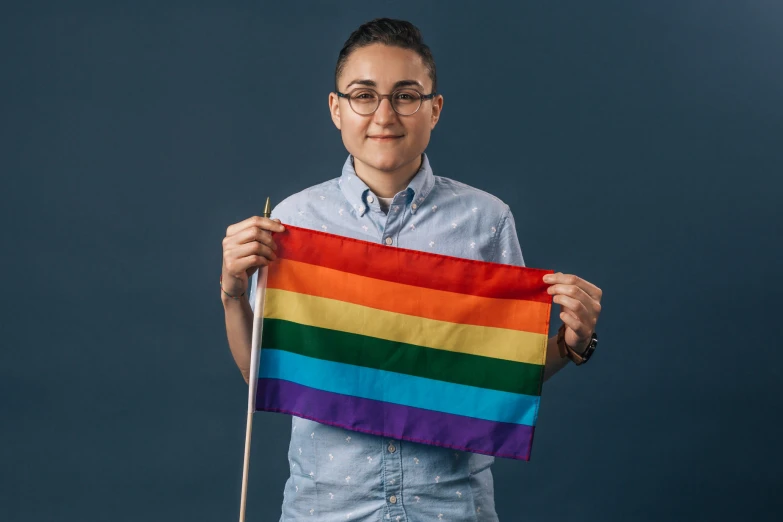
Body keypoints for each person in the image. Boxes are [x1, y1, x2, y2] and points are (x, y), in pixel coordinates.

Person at [220, 17, 603, 522]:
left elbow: (499, 375)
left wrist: (569, 345)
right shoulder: (293, 222)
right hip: (326, 508)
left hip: (451, 507)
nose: (384, 115)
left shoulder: (486, 221)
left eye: (406, 95)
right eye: (363, 94)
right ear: (336, 108)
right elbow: (264, 374)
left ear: (434, 109)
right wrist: (231, 293)